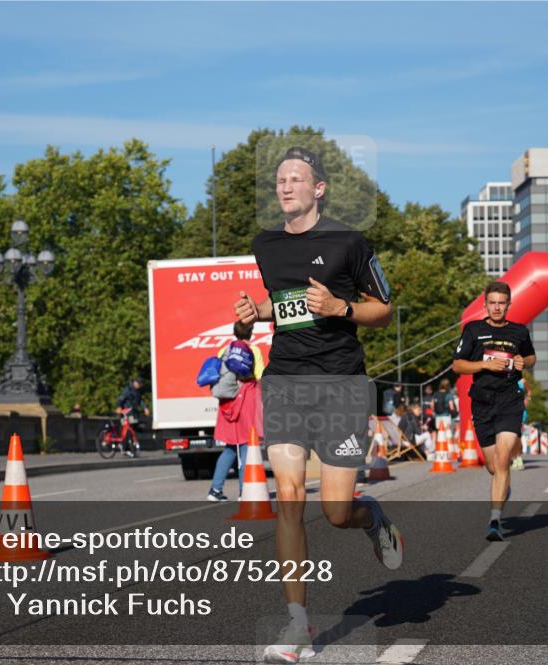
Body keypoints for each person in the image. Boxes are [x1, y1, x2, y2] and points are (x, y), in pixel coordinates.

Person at [234, 146, 402, 664]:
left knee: (334, 511)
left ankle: (369, 516)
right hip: (284, 380)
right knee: (288, 497)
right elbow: (278, 305)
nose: (285, 187)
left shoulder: (349, 242)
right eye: (280, 180)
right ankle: (299, 627)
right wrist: (250, 316)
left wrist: (341, 307)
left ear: (318, 188)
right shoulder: (265, 245)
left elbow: (385, 309)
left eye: (296, 179)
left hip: (341, 384)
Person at [452, 281, 535, 542]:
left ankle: (494, 521)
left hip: (510, 401)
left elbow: (530, 357)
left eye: (502, 303)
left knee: (502, 459)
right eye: (493, 303)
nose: (497, 307)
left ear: (509, 304)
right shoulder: (473, 330)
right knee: (493, 466)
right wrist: (485, 366)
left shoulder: (519, 331)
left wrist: (524, 361)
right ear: (485, 305)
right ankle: (502, 483)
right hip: (483, 402)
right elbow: (458, 365)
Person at [207, 320, 265, 502]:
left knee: (230, 447)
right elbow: (260, 376)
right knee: (248, 446)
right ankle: (244, 491)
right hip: (247, 400)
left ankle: (215, 490)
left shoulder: (224, 351)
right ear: (251, 332)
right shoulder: (254, 351)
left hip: (228, 402)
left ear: (234, 333)